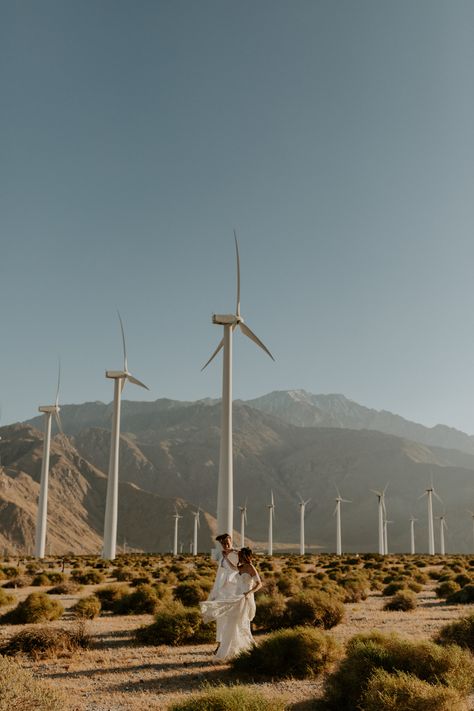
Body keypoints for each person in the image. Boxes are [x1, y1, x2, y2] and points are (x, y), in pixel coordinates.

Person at [200, 546, 263, 660]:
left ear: (247, 556)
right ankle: (229, 652)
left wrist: (249, 592)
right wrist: (227, 556)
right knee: (232, 622)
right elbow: (233, 567)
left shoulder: (250, 567)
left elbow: (259, 584)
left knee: (240, 623)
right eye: (240, 556)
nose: (241, 558)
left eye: (242, 556)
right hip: (236, 597)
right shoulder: (241, 567)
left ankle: (246, 650)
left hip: (245, 598)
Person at [207, 533, 239, 653]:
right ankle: (220, 644)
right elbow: (219, 574)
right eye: (223, 544)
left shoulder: (236, 554)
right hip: (222, 591)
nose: (225, 545)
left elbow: (238, 569)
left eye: (227, 543)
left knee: (231, 619)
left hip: (233, 591)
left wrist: (227, 558)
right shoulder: (222, 557)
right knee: (221, 619)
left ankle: (230, 645)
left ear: (231, 541)